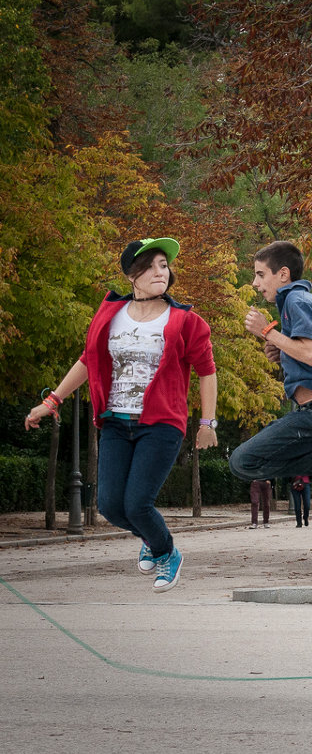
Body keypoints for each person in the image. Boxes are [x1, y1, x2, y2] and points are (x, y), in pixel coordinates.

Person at [24, 237, 217, 593]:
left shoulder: (186, 321)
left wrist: (207, 422)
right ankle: (154, 541)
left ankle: (167, 554)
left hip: (161, 423)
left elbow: (207, 371)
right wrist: (53, 400)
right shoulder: (109, 313)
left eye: (164, 265)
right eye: (151, 266)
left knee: (138, 503)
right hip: (114, 421)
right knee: (111, 505)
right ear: (132, 275)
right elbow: (88, 360)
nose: (161, 272)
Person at [229, 241, 312, 496]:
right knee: (244, 461)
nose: (255, 283)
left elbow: (310, 354)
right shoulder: (309, 301)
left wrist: (268, 332)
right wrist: (286, 351)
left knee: (242, 462)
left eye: (261, 274)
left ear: (283, 274)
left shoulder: (295, 300)